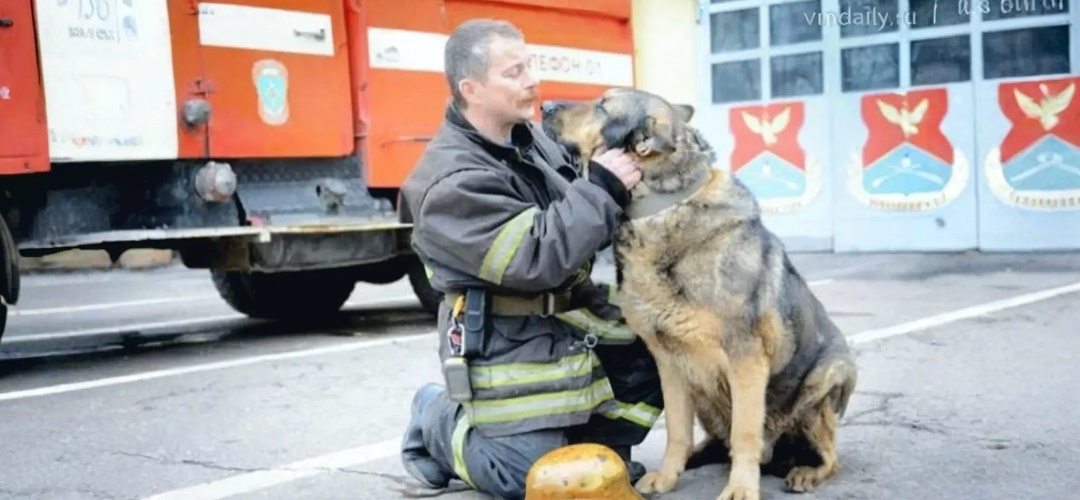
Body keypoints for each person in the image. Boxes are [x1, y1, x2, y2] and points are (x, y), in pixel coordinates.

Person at [398, 18, 665, 500]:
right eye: (514, 72)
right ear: (471, 89)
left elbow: (581, 212)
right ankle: (436, 419)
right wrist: (602, 186)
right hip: (507, 338)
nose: (531, 81)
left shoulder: (529, 138)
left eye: (530, 66)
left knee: (669, 344)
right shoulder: (448, 183)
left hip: (572, 315)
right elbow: (536, 258)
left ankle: (598, 443)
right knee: (531, 481)